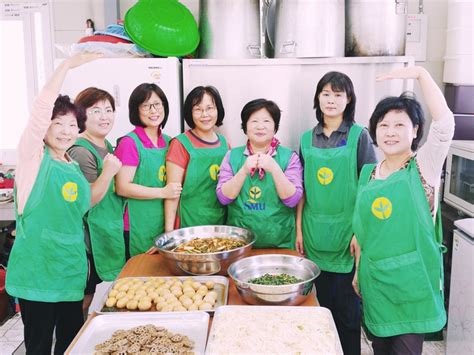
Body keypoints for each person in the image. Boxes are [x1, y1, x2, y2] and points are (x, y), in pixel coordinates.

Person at [352, 66, 454, 355]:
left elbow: (445, 123)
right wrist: (359, 271)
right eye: (383, 125)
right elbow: (364, 232)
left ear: (416, 130)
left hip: (411, 285)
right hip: (376, 283)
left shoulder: (424, 167)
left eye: (400, 125)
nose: (391, 132)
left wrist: (421, 74)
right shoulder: (369, 174)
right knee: (380, 350)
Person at [5, 53, 102, 355]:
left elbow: (83, 208)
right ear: (44, 128)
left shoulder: (72, 164)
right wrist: (66, 66)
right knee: (38, 346)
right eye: (57, 123)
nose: (65, 130)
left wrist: (109, 173)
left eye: (71, 124)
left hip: (69, 271)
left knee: (70, 344)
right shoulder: (33, 159)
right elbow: (40, 109)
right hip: (39, 273)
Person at [296, 71, 377, 355]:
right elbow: (302, 190)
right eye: (326, 94)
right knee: (319, 311)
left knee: (347, 314)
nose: (331, 100)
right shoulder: (306, 139)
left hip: (347, 237)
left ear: (349, 99)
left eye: (338, 94)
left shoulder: (359, 136)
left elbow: (370, 188)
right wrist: (298, 231)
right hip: (315, 234)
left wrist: (360, 233)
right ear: (318, 98)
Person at [218, 99, 303, 248]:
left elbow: (292, 200)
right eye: (254, 121)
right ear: (245, 126)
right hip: (239, 244)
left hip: (280, 242)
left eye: (266, 121)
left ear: (275, 127)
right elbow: (223, 198)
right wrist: (244, 170)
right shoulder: (231, 156)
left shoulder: (289, 157)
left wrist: (275, 169)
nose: (260, 126)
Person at [67, 87, 123, 317]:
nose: (104, 116)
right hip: (89, 239)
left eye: (108, 110)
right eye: (96, 110)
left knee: (94, 294)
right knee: (85, 296)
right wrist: (109, 171)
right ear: (82, 116)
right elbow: (88, 199)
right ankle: (73, 342)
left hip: (106, 230)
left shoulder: (106, 145)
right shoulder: (81, 150)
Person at [114, 83, 182, 257]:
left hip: (160, 221)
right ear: (136, 110)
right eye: (146, 106)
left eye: (157, 104)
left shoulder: (169, 141)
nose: (153, 111)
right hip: (137, 224)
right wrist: (163, 192)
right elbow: (122, 187)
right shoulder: (130, 142)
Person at [164, 86, 228, 231]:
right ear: (190, 113)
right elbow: (172, 193)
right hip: (188, 223)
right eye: (198, 109)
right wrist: (168, 233)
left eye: (210, 108)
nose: (205, 114)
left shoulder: (225, 144)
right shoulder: (180, 144)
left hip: (221, 222)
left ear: (218, 110)